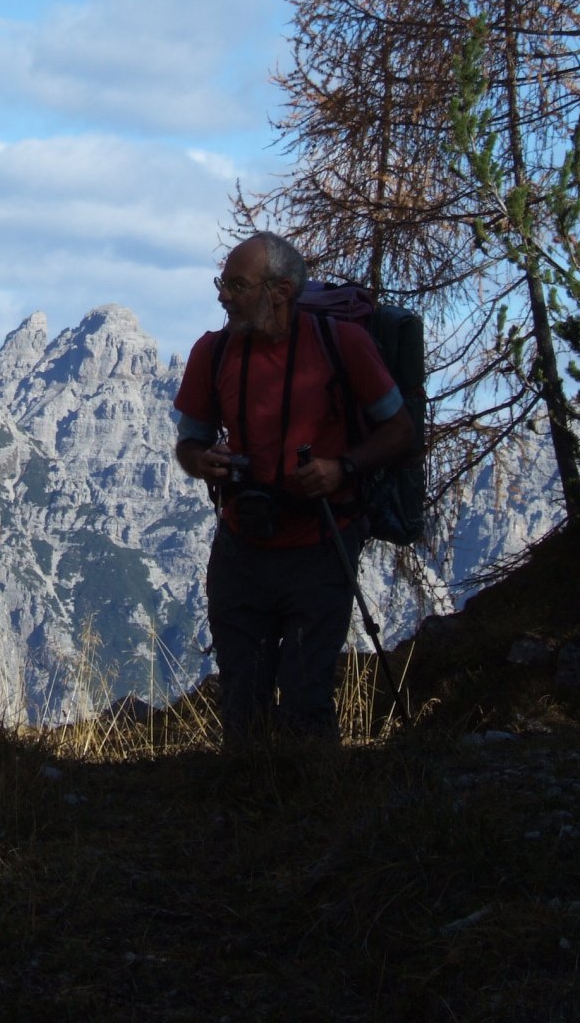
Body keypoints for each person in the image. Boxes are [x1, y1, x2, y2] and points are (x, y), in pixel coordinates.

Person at [173, 233, 415, 743]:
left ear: (280, 290)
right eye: (223, 283)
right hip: (242, 545)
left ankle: (314, 809)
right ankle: (246, 805)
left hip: (322, 543)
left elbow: (400, 431)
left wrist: (343, 468)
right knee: (241, 700)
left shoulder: (342, 345)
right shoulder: (211, 353)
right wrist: (204, 462)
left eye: (237, 285)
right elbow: (189, 443)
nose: (223, 296)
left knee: (307, 700)